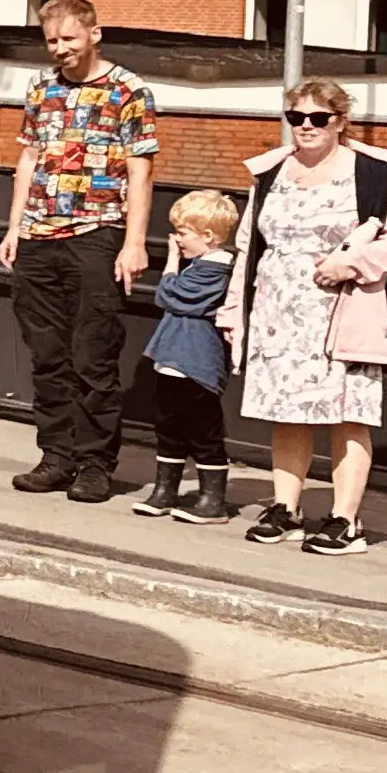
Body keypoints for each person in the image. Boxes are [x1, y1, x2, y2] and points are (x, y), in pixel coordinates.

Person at [220, 78, 387, 555]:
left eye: (318, 119)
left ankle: (344, 521)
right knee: (287, 414)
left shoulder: (371, 174)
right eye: (296, 118)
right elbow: (249, 246)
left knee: (348, 415)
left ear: (340, 121)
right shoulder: (270, 173)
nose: (305, 127)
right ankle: (286, 509)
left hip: (342, 311)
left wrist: (349, 264)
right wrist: (233, 310)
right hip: (277, 313)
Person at [0, 0, 158, 501]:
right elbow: (28, 159)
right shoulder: (41, 87)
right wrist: (13, 228)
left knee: (94, 355)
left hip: (97, 233)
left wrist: (134, 242)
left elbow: (141, 170)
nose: (59, 49)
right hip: (38, 237)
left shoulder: (129, 90)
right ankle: (57, 456)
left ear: (94, 33)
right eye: (51, 40)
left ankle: (94, 463)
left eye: (68, 38)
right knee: (48, 355)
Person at [135, 187, 239, 524]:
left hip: (197, 366)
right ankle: (166, 490)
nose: (177, 240)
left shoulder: (215, 271)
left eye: (183, 233)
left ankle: (213, 499)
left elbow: (172, 297)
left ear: (207, 236)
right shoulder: (200, 268)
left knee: (203, 431)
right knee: (169, 428)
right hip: (172, 362)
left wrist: (170, 265)